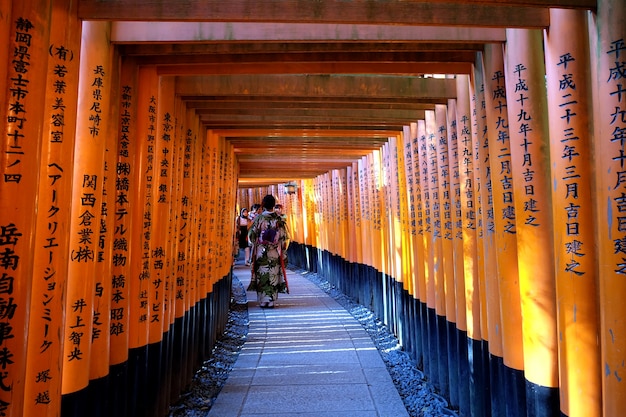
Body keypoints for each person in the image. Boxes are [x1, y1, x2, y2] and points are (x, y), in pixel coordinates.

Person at [247, 194, 290, 308]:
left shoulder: (259, 218)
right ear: (273, 205)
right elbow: (283, 235)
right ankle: (271, 300)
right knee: (273, 273)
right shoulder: (278, 219)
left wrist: (257, 240)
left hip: (262, 250)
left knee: (262, 274)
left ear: (264, 204)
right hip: (274, 251)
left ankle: (263, 300)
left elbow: (251, 234)